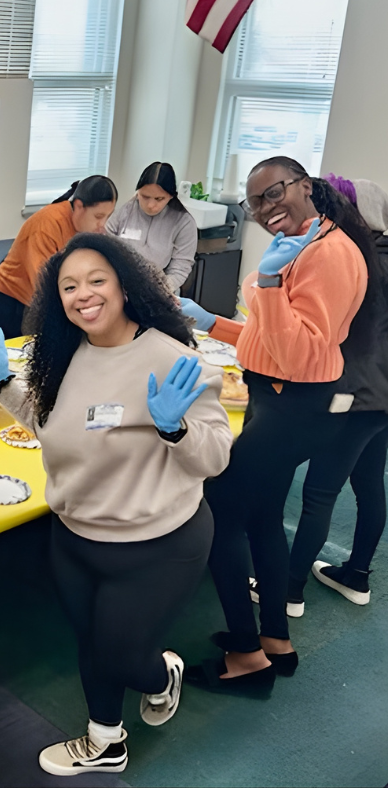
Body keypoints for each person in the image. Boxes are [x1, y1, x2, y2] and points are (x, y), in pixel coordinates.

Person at [0, 234, 232, 776]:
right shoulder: (64, 353)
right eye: (69, 286)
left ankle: (159, 675)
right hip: (75, 536)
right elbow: (57, 428)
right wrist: (6, 387)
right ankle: (106, 740)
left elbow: (215, 457)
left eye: (96, 280)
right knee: (92, 643)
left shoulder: (173, 360)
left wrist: (175, 427)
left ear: (125, 285)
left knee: (121, 655)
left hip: (157, 544)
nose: (82, 295)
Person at [180, 156, 373, 693]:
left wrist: (265, 281)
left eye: (275, 193)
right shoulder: (307, 241)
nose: (266, 209)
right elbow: (271, 340)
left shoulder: (329, 253)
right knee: (264, 517)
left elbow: (296, 354)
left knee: (218, 512)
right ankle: (275, 642)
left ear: (305, 186)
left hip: (294, 405)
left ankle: (245, 657)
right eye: (256, 202)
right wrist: (212, 321)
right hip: (282, 398)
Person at [286, 174, 388, 611]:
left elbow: (325, 333)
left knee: (320, 493)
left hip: (354, 394)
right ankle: (357, 575)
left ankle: (286, 590)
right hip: (382, 395)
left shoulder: (356, 260)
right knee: (369, 483)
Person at [0, 176, 117, 340]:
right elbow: (42, 282)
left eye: (108, 216)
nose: (102, 225)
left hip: (49, 298)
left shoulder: (87, 229)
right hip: (13, 300)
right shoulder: (47, 225)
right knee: (9, 355)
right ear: (78, 206)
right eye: (98, 216)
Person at [106, 162, 198, 294]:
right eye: (145, 196)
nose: (150, 205)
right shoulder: (126, 210)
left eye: (159, 199)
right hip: (119, 284)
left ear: (171, 196)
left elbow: (180, 267)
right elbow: (105, 239)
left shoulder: (184, 222)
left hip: (159, 289)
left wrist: (160, 289)